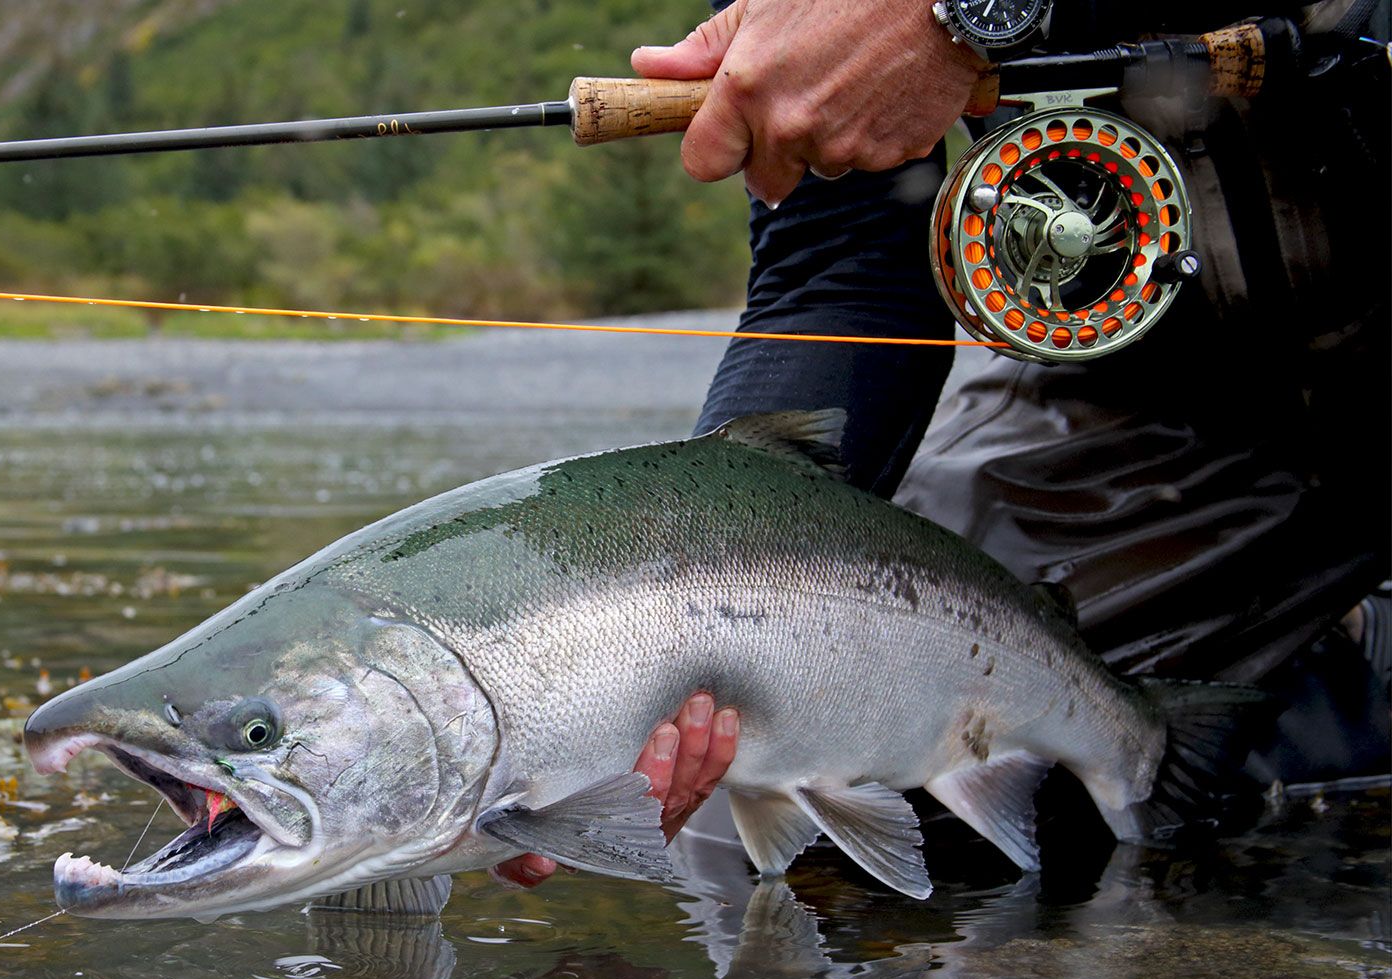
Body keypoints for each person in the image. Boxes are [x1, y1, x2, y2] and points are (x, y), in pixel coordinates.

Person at [497, 0, 1390, 887]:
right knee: (822, 793)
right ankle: (1318, 668)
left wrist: (952, 16)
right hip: (1166, 390)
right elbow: (841, 266)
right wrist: (705, 601)